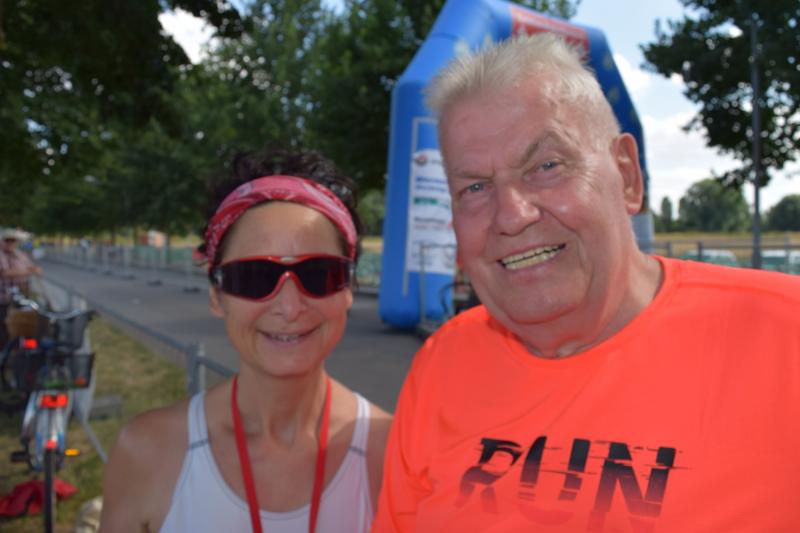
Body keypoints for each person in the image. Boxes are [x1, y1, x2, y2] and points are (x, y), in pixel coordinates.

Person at [373, 33, 800, 532]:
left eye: (546, 166)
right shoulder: (443, 364)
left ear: (627, 176)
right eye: (475, 187)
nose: (511, 215)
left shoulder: (783, 338)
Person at [100, 148, 391, 533]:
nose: (290, 307)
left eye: (319, 274)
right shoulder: (147, 452)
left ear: (348, 290)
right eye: (254, 278)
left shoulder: (394, 454)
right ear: (216, 296)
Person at [0, 228, 42, 348]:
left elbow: (32, 268)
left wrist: (35, 270)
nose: (10, 243)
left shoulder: (20, 255)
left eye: (12, 241)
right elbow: (5, 273)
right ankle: (5, 351)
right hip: (4, 299)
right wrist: (28, 272)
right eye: (7, 241)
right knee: (5, 327)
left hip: (22, 298)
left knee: (25, 325)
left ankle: (23, 349)